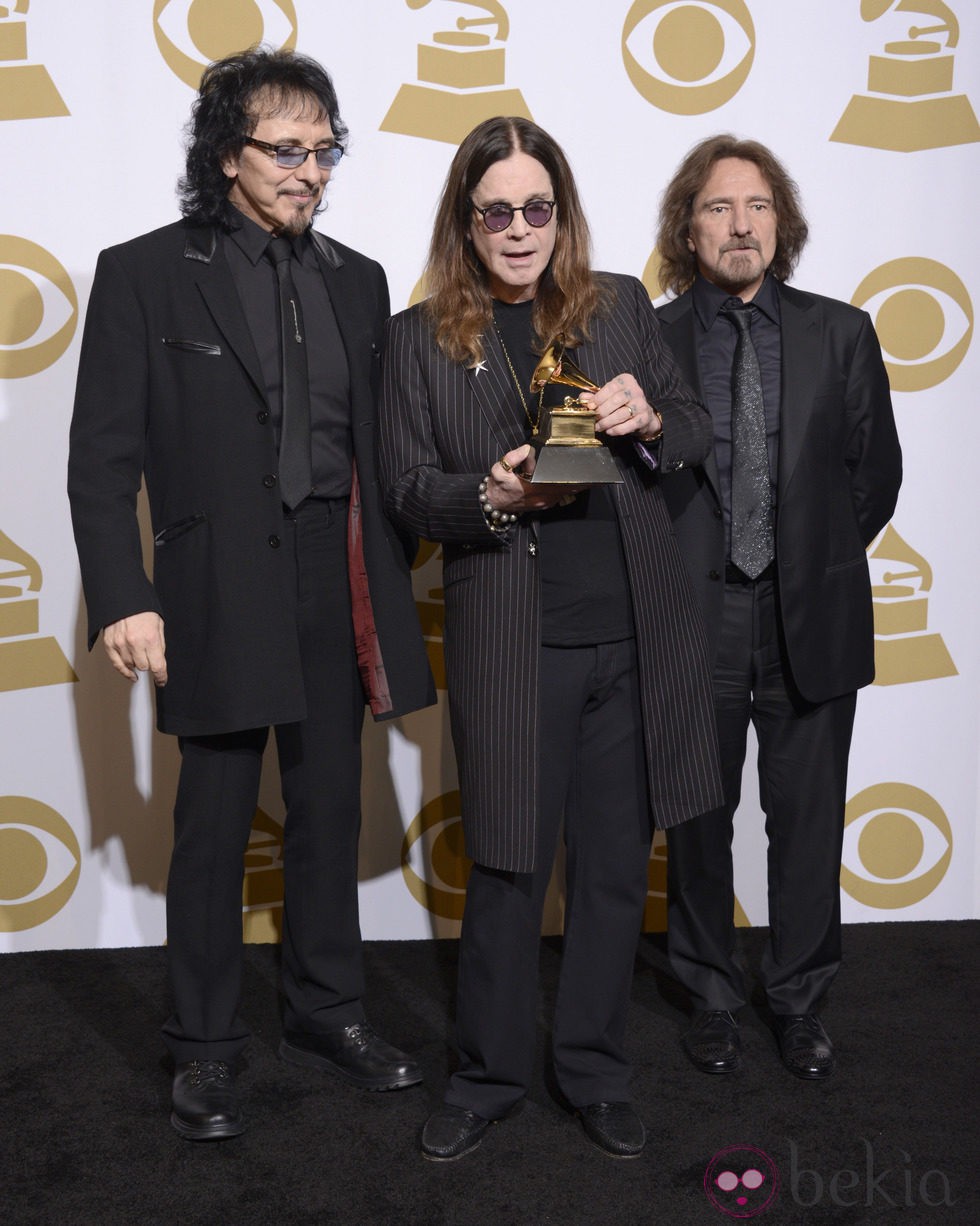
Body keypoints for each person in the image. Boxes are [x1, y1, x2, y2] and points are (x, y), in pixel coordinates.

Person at [67, 47, 434, 1140]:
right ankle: (205, 1044)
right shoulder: (141, 270)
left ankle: (326, 1012)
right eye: (287, 149)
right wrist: (126, 594)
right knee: (212, 824)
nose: (309, 170)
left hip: (338, 577)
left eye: (324, 151)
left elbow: (383, 446)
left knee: (328, 809)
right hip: (212, 587)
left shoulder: (360, 280)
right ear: (228, 154)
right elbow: (100, 462)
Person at [379, 116, 722, 1161]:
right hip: (511, 641)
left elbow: (695, 423)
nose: (520, 230)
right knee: (507, 866)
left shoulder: (615, 305)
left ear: (560, 214)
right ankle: (484, 1076)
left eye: (539, 208)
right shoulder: (417, 335)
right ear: (466, 221)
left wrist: (651, 419)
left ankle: (593, 1069)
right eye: (498, 212)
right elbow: (401, 489)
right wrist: (484, 493)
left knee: (616, 868)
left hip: (631, 637)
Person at [654, 135, 902, 1080]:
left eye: (756, 205)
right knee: (698, 818)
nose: (740, 224)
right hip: (695, 615)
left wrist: (810, 561)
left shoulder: (844, 332)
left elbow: (871, 478)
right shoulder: (652, 335)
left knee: (806, 821)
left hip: (808, 616)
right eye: (718, 207)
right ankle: (710, 993)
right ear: (689, 226)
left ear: (781, 221)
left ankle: (799, 998)